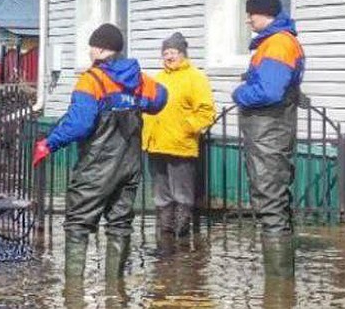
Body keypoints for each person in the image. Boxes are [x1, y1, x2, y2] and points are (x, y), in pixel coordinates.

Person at [32, 24, 167, 280]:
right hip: (130, 165)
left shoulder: (91, 80)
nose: (90, 51)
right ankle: (115, 292)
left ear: (101, 49)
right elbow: (161, 99)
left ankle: (73, 293)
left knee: (78, 224)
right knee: (120, 224)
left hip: (98, 165)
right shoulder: (139, 80)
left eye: (92, 46)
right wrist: (135, 100)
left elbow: (80, 124)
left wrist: (49, 143)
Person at [233, 0, 305, 278]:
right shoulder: (277, 42)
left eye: (251, 13)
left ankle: (277, 289)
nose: (248, 20)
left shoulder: (277, 44)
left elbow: (270, 90)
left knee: (270, 200)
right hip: (270, 132)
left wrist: (240, 93)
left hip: (269, 132)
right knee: (274, 199)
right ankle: (281, 284)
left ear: (265, 13)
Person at [143, 32, 215, 239]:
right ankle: (165, 233)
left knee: (182, 193)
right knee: (161, 194)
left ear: (183, 54)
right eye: (165, 53)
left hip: (180, 145)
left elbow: (206, 111)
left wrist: (186, 128)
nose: (168, 57)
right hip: (156, 144)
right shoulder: (158, 79)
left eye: (173, 52)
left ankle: (181, 234)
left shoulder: (196, 78)